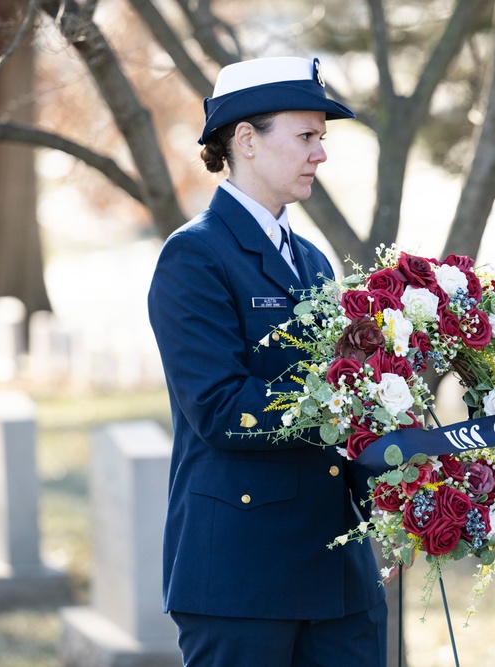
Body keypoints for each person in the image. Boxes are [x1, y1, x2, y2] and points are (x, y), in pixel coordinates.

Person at [147, 56, 387, 667]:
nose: (320, 154)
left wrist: (412, 482)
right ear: (247, 140)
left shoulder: (310, 257)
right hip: (241, 576)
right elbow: (221, 408)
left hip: (337, 574)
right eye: (306, 136)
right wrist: (342, 403)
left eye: (321, 139)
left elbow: (348, 395)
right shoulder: (194, 257)